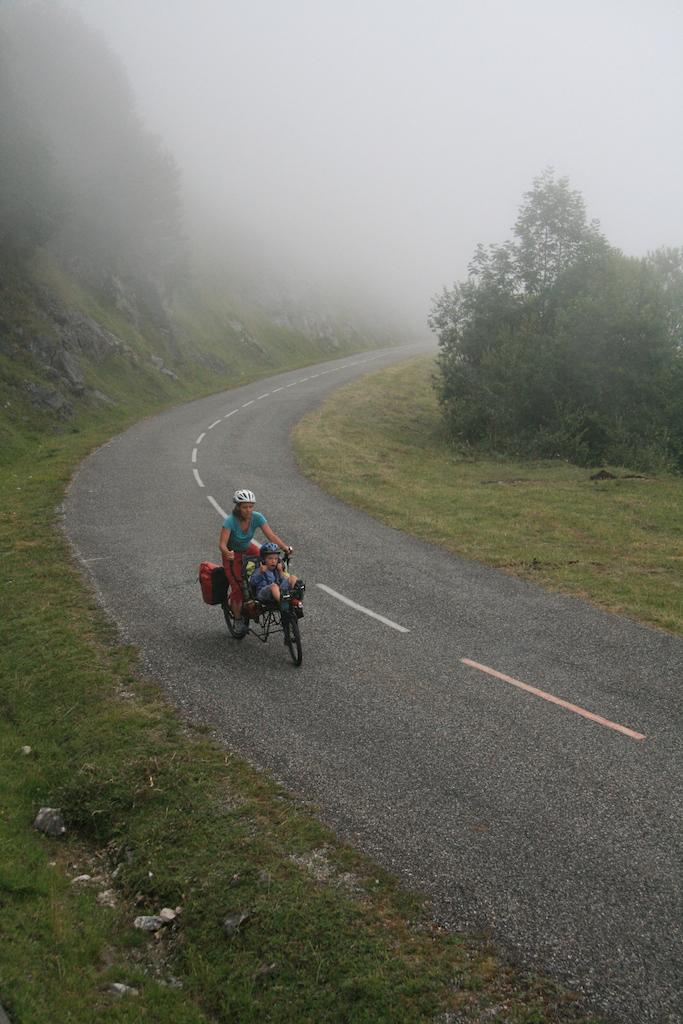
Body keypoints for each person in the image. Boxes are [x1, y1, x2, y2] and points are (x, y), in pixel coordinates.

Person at [219, 489, 292, 636]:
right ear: (238, 507)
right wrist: (227, 553)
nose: (248, 510)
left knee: (269, 561)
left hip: (248, 549)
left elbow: (271, 535)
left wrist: (285, 547)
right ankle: (238, 619)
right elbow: (222, 543)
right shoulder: (230, 521)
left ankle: (265, 590)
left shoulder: (257, 517)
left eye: (251, 506)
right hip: (232, 554)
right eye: (245, 507)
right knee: (238, 587)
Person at [250, 542, 298, 607]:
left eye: (276, 559)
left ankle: (297, 599)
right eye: (270, 558)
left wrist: (281, 571)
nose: (273, 561)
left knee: (293, 577)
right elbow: (252, 582)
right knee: (273, 586)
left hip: (278, 591)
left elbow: (282, 581)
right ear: (263, 560)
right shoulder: (260, 569)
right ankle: (283, 605)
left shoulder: (276, 569)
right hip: (263, 593)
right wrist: (260, 573)